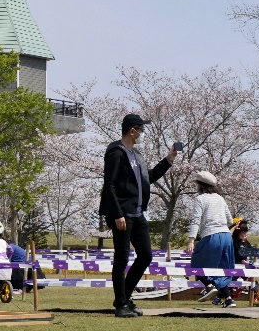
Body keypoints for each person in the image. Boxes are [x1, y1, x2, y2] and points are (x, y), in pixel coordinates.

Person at [100, 113, 177, 318]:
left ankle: (124, 297)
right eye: (141, 129)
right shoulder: (116, 153)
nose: (142, 133)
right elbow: (110, 185)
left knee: (145, 255)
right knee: (122, 257)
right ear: (132, 131)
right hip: (122, 214)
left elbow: (147, 178)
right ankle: (121, 305)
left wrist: (168, 160)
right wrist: (117, 214)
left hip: (137, 213)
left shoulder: (136, 155)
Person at [186, 171, 236, 308]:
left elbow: (195, 221)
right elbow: (230, 220)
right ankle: (229, 299)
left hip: (211, 235)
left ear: (201, 185)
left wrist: (191, 240)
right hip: (226, 236)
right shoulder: (220, 198)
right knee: (222, 269)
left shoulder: (200, 199)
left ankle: (209, 286)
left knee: (196, 262)